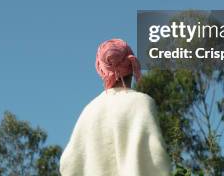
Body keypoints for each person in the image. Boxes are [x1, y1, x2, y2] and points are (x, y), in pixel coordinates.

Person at [59, 39, 172, 176]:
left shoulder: (89, 111)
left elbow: (69, 165)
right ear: (132, 67)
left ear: (101, 71)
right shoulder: (142, 103)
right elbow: (156, 158)